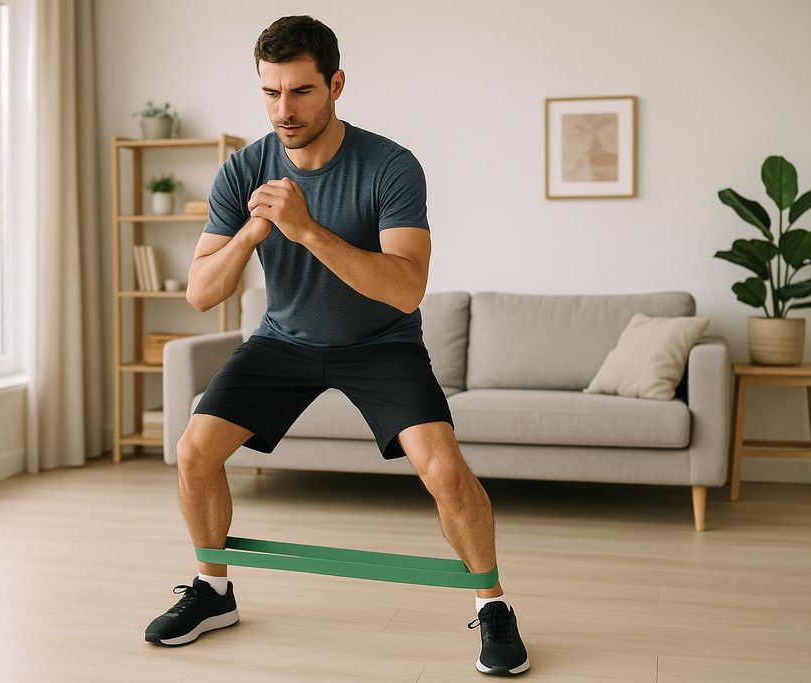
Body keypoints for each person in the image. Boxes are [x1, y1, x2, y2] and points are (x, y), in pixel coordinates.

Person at [144, 15, 529, 677]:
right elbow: (202, 293)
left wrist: (307, 229)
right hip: (281, 341)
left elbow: (407, 289)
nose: (283, 110)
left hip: (381, 343)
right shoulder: (244, 170)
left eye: (300, 92)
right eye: (270, 92)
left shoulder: (390, 165)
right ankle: (213, 590)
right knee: (193, 451)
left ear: (336, 85)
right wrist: (249, 236)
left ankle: (492, 602)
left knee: (444, 471)